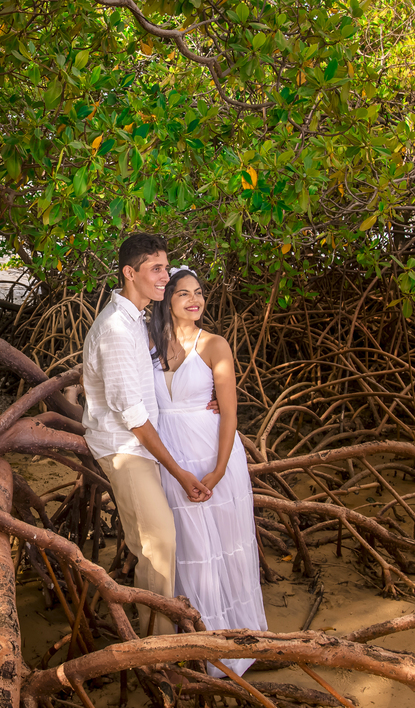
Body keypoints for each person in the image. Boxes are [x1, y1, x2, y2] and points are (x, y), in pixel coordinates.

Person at [82, 233, 211, 638]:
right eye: (156, 269)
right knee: (158, 545)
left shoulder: (135, 319)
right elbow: (133, 417)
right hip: (125, 449)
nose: (165, 277)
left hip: (141, 446)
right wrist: (177, 470)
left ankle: (160, 637)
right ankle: (157, 648)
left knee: (156, 544)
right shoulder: (117, 330)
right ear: (129, 273)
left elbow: (153, 380)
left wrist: (209, 394)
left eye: (166, 268)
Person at [148, 265, 268, 677]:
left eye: (198, 292)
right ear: (166, 299)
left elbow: (230, 415)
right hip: (169, 458)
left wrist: (217, 472)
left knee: (225, 546)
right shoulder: (148, 343)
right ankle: (197, 641)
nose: (195, 300)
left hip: (212, 456)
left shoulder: (215, 345)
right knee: (189, 550)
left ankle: (235, 645)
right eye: (183, 294)